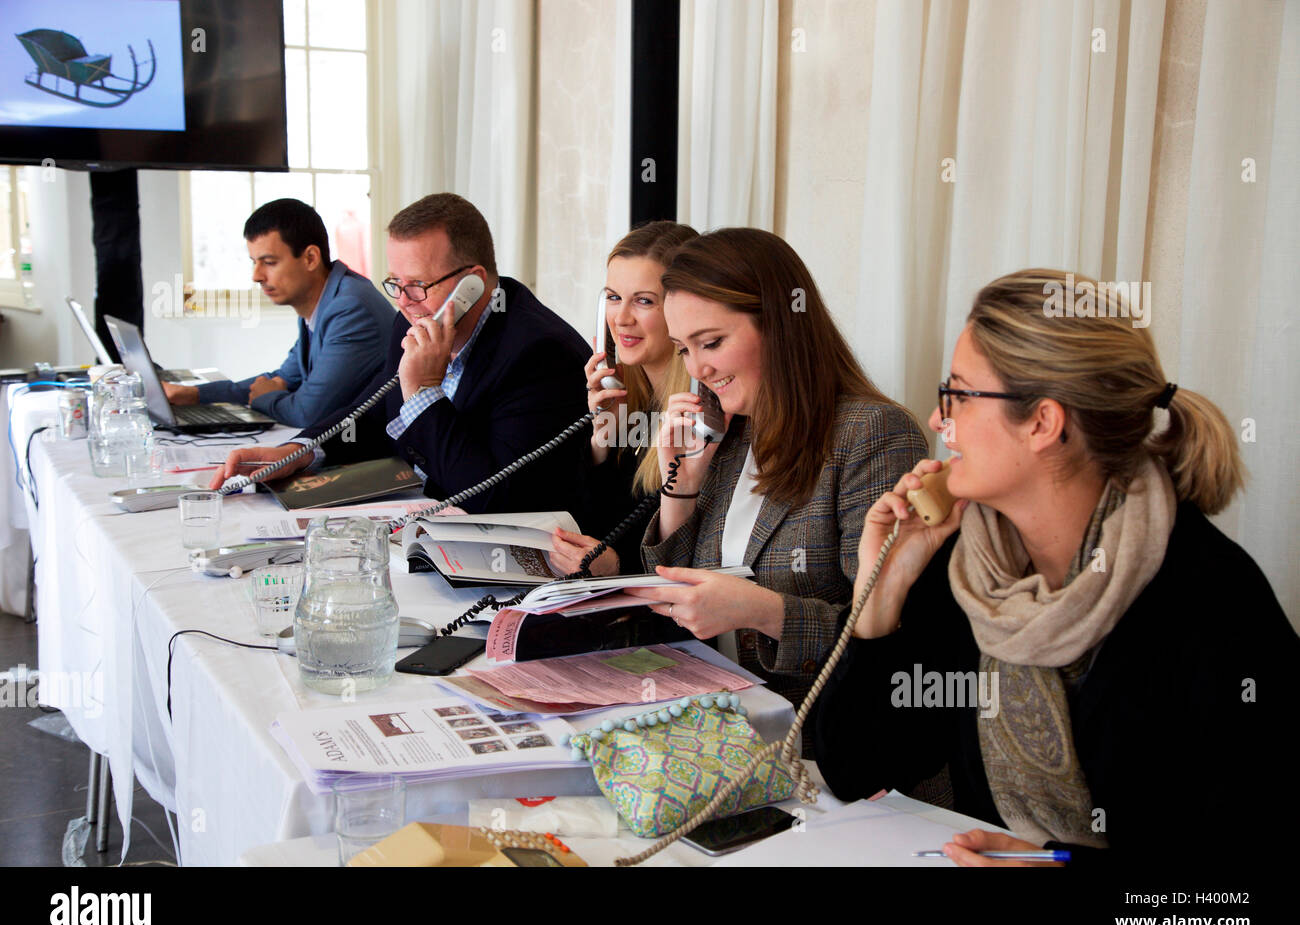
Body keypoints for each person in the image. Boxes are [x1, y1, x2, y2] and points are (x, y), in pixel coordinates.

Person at [813, 269, 1298, 866]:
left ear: (1043, 422)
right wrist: (881, 594)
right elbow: (856, 769)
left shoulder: (1212, 601)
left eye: (959, 395)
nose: (939, 422)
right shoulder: (969, 567)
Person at [624, 228, 930, 711]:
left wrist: (765, 612)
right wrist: (678, 489)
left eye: (712, 342)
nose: (697, 369)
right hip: (715, 719)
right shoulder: (728, 433)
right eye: (685, 348)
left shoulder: (870, 434)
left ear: (781, 326)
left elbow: (891, 641)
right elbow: (676, 605)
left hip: (818, 741)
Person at [210, 193, 592, 520]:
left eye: (418, 285)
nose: (404, 303)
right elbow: (373, 413)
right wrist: (298, 452)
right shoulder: (412, 322)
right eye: (396, 283)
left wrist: (425, 392)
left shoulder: (539, 353)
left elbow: (491, 494)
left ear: (472, 283)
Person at [548, 221, 697, 578]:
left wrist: (618, 566)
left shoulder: (698, 412)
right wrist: (602, 441)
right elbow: (588, 528)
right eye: (613, 298)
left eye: (644, 301)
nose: (621, 318)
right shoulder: (626, 399)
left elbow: (694, 552)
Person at [164, 199, 392, 427]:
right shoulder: (323, 302)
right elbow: (283, 379)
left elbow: (307, 413)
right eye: (254, 262)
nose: (256, 276)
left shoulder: (350, 309)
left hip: (369, 453)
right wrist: (193, 394)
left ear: (310, 258)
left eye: (269, 262)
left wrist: (264, 397)